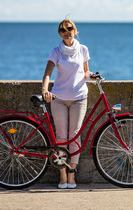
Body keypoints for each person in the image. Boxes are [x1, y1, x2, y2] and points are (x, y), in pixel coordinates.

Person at [42, 19, 94, 189]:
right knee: (61, 136)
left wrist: (92, 75)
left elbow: (85, 71)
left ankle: (72, 173)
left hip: (79, 97)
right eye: (62, 30)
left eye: (69, 28)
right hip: (59, 99)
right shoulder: (56, 51)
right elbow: (48, 73)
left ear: (75, 30)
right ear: (60, 33)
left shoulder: (83, 49)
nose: (66, 31)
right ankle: (62, 174)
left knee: (75, 135)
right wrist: (45, 90)